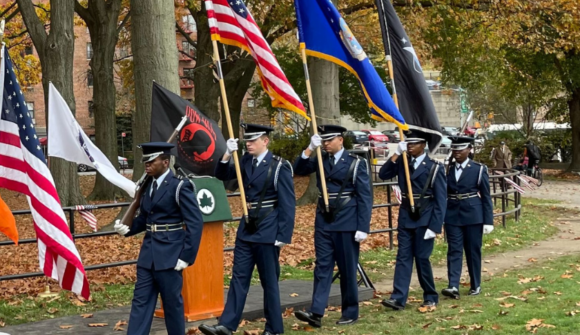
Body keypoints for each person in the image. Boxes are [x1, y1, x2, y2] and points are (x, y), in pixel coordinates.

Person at [199, 124, 295, 335]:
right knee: (238, 278)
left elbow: (288, 203)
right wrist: (226, 154)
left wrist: (283, 234)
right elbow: (222, 176)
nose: (248, 144)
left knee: (269, 282)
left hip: (268, 228)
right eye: (247, 141)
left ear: (265, 141)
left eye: (253, 140)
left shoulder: (279, 166)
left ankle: (274, 328)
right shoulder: (245, 162)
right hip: (247, 228)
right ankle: (227, 325)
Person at [114, 142, 204, 335]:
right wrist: (127, 229)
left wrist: (187, 255)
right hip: (148, 255)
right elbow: (146, 218)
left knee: (172, 305)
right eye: (145, 161)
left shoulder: (180, 186)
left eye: (151, 161)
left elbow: (195, 223)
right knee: (141, 302)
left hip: (171, 255)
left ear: (165, 162)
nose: (147, 165)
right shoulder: (147, 187)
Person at [292, 125, 372, 327]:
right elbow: (298, 170)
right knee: (322, 267)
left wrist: (363, 226)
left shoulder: (356, 163)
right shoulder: (320, 160)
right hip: (324, 220)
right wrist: (309, 149)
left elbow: (364, 196)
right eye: (323, 140)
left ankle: (350, 311)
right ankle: (316, 312)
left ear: (340, 140)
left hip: (347, 220)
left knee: (347, 268)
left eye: (329, 140)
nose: (326, 144)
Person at [379, 129, 446, 311]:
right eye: (408, 143)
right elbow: (383, 174)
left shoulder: (434, 167)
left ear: (423, 145)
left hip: (425, 216)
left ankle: (430, 295)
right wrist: (396, 153)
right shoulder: (402, 161)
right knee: (403, 257)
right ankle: (398, 298)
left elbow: (441, 200)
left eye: (414, 144)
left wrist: (435, 225)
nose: (410, 147)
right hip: (407, 214)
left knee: (422, 258)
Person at [441, 137, 494, 299]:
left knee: (472, 251)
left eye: (461, 149)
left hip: (473, 215)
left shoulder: (478, 169)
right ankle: (453, 285)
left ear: (469, 149)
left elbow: (486, 196)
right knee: (454, 250)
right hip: (452, 214)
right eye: (454, 149)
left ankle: (475, 284)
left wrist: (488, 221)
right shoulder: (447, 169)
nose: (457, 152)